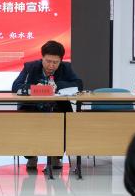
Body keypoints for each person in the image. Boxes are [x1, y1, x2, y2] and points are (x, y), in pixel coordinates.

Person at [11, 40, 82, 173]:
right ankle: (31, 156)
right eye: (48, 61)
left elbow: (79, 84)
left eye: (55, 62)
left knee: (62, 120)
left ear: (61, 60)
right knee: (28, 122)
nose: (51, 65)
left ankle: (56, 155)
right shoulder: (30, 67)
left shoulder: (66, 68)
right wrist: (33, 88)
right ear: (42, 58)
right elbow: (15, 86)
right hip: (33, 109)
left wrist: (57, 86)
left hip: (57, 108)